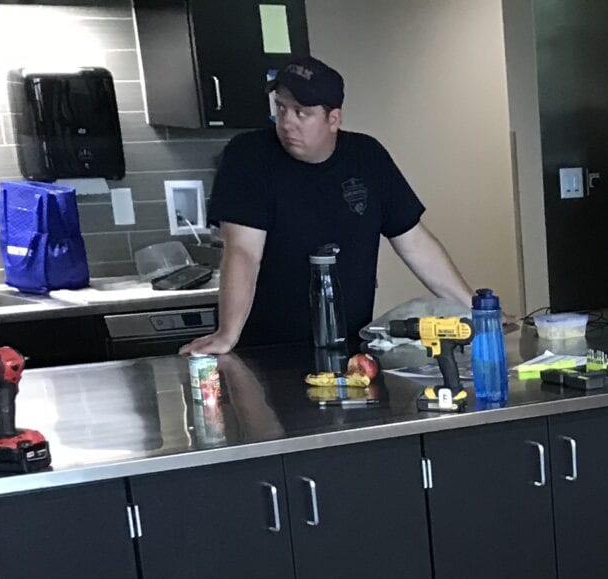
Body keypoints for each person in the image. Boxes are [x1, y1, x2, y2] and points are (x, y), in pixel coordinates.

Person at [185, 57, 474, 355]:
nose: (287, 123)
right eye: (281, 107)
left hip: (349, 349)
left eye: (302, 113)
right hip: (263, 351)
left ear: (333, 119)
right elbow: (243, 251)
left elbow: (413, 243)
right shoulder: (248, 156)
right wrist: (227, 333)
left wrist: (477, 311)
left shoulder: (367, 158)